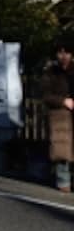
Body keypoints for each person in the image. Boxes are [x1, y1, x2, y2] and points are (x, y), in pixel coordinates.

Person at [42, 36, 74, 192]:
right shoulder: (51, 72)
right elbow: (46, 95)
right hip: (60, 116)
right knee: (62, 150)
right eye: (60, 52)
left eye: (66, 52)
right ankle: (64, 182)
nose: (63, 56)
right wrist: (63, 101)